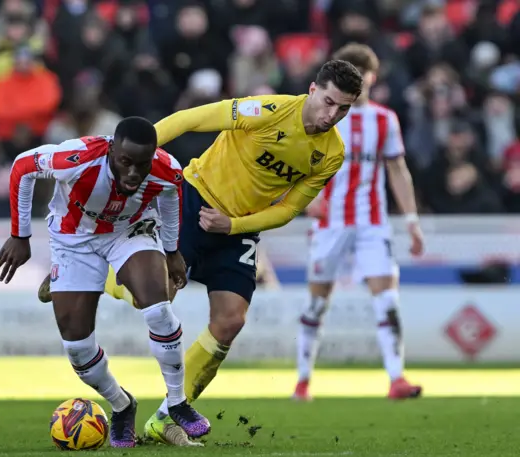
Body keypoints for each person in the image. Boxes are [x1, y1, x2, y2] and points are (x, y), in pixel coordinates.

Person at [38, 59, 363, 445]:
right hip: (195, 200)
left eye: (343, 108)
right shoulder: (268, 111)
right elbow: (192, 118)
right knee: (161, 293)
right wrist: (133, 154)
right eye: (328, 102)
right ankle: (79, 275)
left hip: (238, 228)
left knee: (231, 320)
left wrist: (235, 226)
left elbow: (291, 208)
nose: (332, 114)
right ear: (312, 89)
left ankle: (164, 417)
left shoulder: (331, 154)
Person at [0, 117, 211, 448]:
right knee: (78, 349)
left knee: (158, 306)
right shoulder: (76, 158)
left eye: (142, 163)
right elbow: (23, 167)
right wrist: (20, 235)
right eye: (126, 162)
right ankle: (122, 404)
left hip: (130, 232)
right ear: (112, 151)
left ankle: (178, 402)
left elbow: (169, 198)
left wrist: (171, 251)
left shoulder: (166, 168)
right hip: (73, 239)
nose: (135, 173)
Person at [294, 44, 425, 402]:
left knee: (387, 299)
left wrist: (412, 219)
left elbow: (397, 169)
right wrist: (309, 198)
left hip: (372, 222)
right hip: (329, 222)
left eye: (363, 74)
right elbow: (301, 160)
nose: (360, 81)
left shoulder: (384, 120)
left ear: (372, 76)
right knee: (318, 303)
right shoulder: (324, 114)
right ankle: (303, 380)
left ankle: (397, 378)